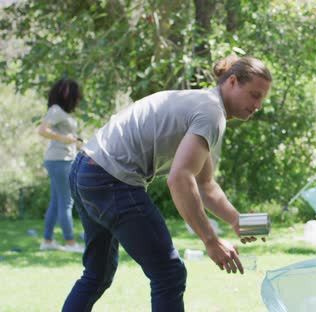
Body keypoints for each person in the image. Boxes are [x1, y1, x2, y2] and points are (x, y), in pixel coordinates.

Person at [62, 55, 272, 311]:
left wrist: (237, 221)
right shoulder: (211, 113)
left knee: (97, 275)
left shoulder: (203, 104)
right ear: (232, 82)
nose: (258, 105)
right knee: (169, 274)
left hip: (85, 170)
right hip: (111, 179)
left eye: (262, 98)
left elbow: (204, 183)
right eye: (254, 95)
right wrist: (211, 240)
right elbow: (180, 179)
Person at [37, 79, 85, 253]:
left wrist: (76, 142)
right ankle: (70, 243)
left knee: (57, 201)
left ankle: (47, 241)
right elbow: (43, 130)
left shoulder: (61, 112)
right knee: (66, 202)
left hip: (60, 159)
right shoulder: (56, 110)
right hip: (60, 160)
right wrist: (68, 140)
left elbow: (65, 135)